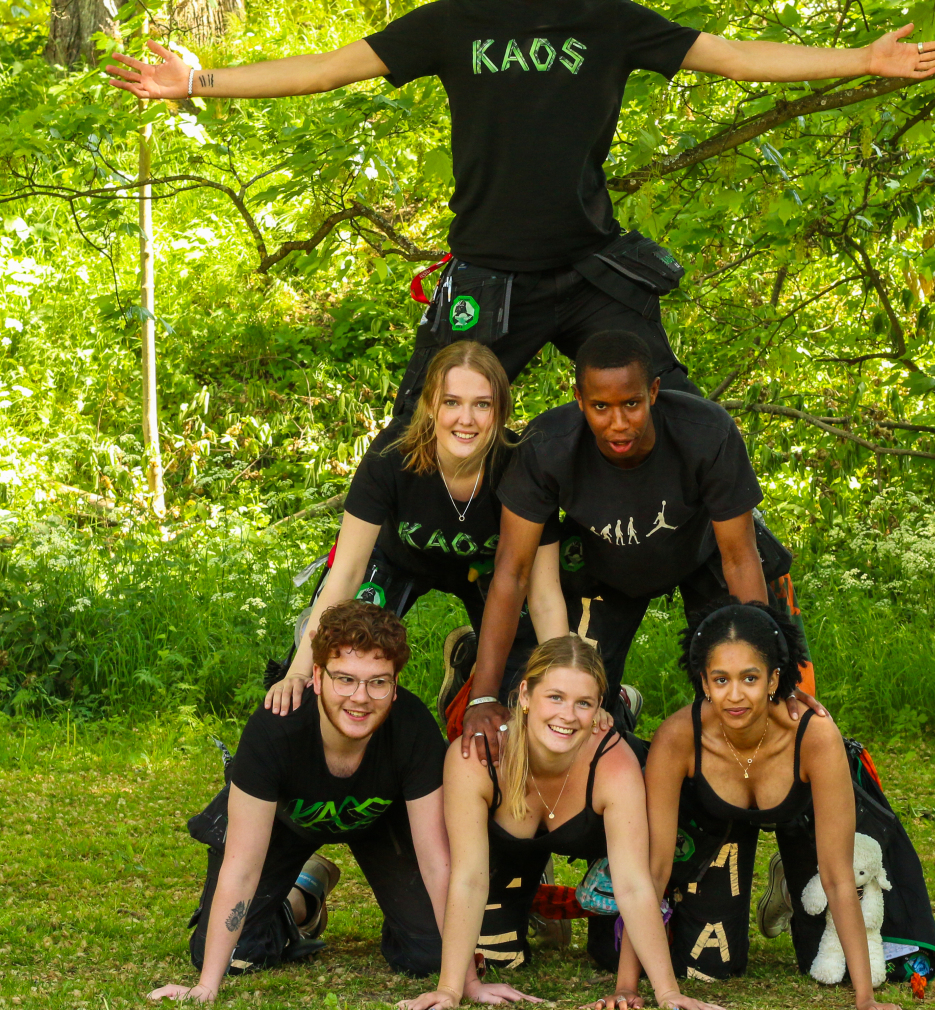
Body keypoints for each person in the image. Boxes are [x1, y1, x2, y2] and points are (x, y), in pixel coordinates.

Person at [105, 0, 935, 413]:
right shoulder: (454, 22)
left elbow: (733, 58)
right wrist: (198, 81)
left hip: (592, 271)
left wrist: (863, 59)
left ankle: (744, 610)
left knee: (680, 421)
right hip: (488, 274)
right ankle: (351, 614)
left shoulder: (609, 20)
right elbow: (325, 69)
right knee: (416, 440)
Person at [461, 329, 820, 753]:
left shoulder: (706, 433)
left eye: (631, 404)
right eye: (601, 407)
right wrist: (482, 697)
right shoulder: (546, 447)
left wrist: (769, 674)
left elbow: (739, 559)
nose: (618, 423)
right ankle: (619, 709)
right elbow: (513, 571)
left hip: (704, 556)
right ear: (579, 399)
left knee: (758, 701)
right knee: (572, 711)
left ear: (653, 392)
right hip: (603, 568)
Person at [150, 602, 456, 1002]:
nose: (360, 697)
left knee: (433, 954)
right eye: (345, 679)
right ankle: (302, 897)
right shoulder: (275, 728)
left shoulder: (412, 726)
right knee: (235, 955)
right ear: (317, 676)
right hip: (284, 821)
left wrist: (461, 982)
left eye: (378, 682)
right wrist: (207, 986)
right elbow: (241, 867)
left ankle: (398, 918)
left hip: (379, 821)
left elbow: (437, 861)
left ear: (395, 685)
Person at [399, 635, 723, 1010]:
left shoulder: (614, 763)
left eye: (583, 703)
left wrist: (667, 993)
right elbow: (469, 879)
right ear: (524, 695)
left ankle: (624, 708)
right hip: (515, 845)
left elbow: (634, 886)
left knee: (610, 950)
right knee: (486, 951)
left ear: (598, 708)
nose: (567, 715)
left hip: (605, 841)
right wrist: (451, 989)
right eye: (555, 697)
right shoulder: (477, 758)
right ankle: (534, 880)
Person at [264, 341, 567, 720]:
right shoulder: (392, 454)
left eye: (482, 404)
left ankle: (472, 666)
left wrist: (564, 681)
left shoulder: (523, 465)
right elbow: (347, 571)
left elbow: (544, 594)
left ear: (501, 409)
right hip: (396, 559)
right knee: (334, 666)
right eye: (452, 402)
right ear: (430, 405)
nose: (466, 419)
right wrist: (298, 672)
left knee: (527, 692)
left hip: (490, 571)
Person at [624, 600, 900, 1010]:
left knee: (828, 961)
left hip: (805, 821)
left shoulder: (813, 735)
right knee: (708, 964)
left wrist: (865, 1000)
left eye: (749, 678)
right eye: (721, 679)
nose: (735, 695)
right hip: (715, 823)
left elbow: (839, 877)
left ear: (773, 679)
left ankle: (791, 880)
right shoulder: (679, 737)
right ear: (704, 682)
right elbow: (654, 871)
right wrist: (626, 985)